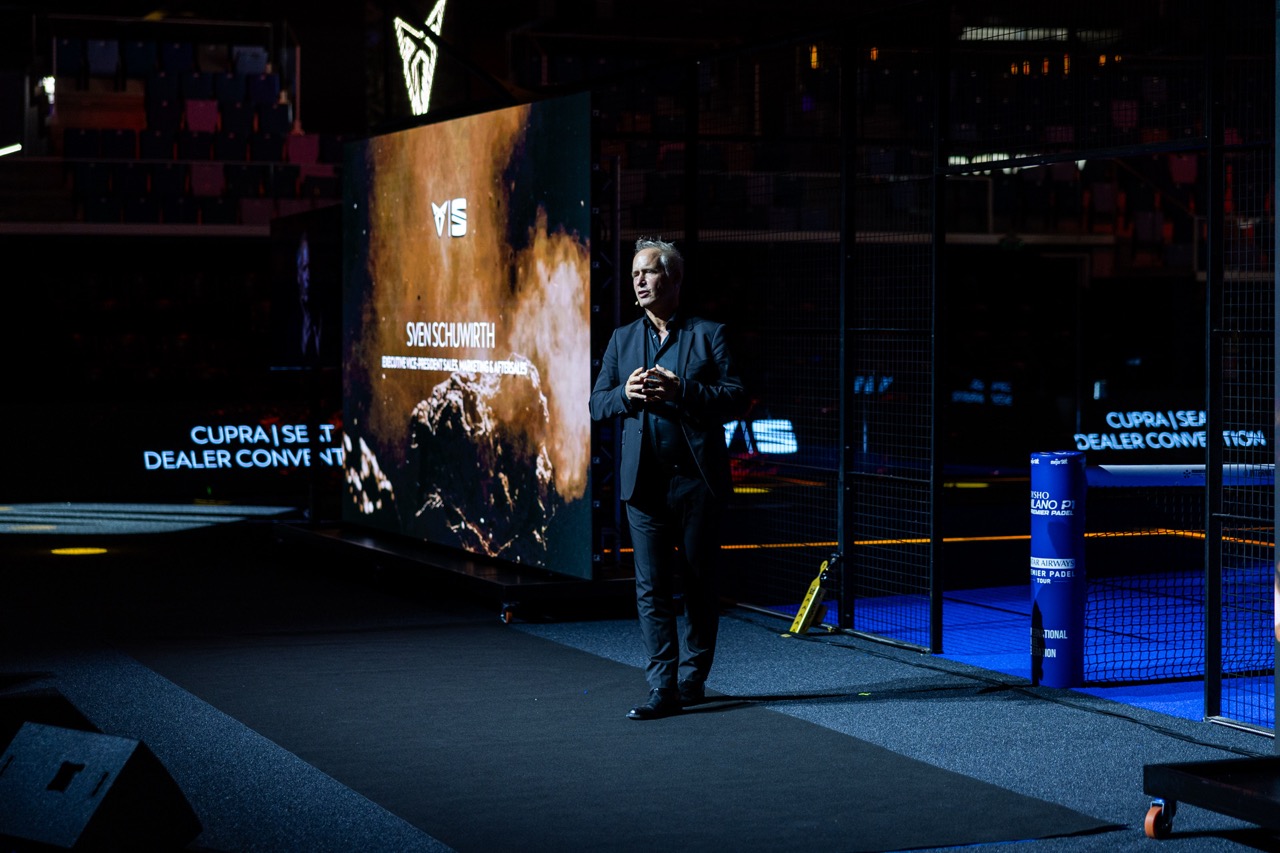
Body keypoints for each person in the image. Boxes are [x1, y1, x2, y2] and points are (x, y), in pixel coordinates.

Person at [589, 237, 747, 720]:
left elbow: (736, 397)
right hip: (644, 485)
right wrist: (626, 394)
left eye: (649, 272)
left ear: (674, 279)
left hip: (697, 483)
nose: (638, 281)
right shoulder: (622, 339)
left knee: (699, 584)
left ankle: (693, 678)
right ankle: (662, 686)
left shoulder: (709, 334)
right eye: (634, 273)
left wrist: (685, 391)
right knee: (651, 586)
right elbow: (597, 404)